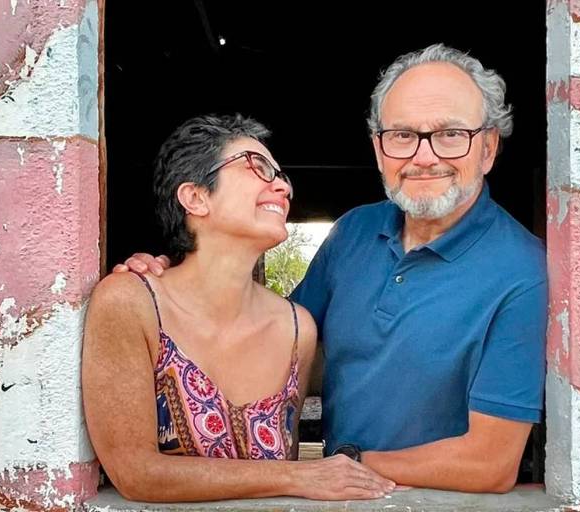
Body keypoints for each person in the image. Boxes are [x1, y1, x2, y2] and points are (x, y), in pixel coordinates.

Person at [119, 43, 547, 494]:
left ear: (488, 148)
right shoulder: (354, 232)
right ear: (379, 150)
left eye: (450, 134)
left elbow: (490, 463)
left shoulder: (521, 269)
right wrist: (173, 284)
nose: (423, 157)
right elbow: (269, 338)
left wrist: (348, 462)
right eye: (401, 135)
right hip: (337, 500)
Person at [82, 114, 395, 502]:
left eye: (281, 176)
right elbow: (135, 473)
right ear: (195, 197)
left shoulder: (297, 329)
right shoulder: (131, 302)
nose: (282, 186)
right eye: (257, 167)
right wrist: (297, 477)